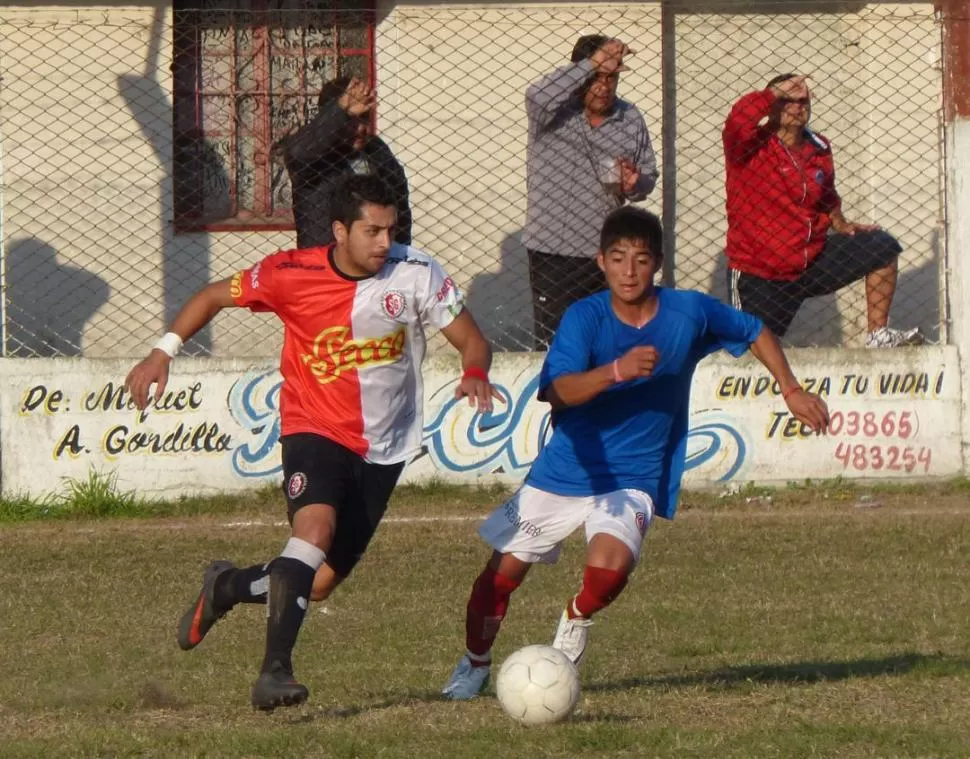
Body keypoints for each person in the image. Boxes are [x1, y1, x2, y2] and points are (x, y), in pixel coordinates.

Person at [125, 174, 497, 711]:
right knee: (314, 529)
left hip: (386, 447)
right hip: (313, 427)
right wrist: (163, 351)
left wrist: (476, 370)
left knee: (317, 584)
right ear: (339, 230)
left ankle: (226, 587)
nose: (384, 243)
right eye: (372, 231)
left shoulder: (417, 273)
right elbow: (211, 295)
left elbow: (471, 340)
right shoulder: (288, 272)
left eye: (390, 230)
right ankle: (274, 672)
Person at [441, 206, 830, 700]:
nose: (629, 271)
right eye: (619, 258)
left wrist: (790, 388)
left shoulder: (688, 312)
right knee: (500, 578)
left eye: (641, 260)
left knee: (609, 570)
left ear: (658, 264)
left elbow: (753, 329)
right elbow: (556, 391)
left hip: (635, 474)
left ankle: (576, 616)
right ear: (601, 262)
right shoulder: (585, 317)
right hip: (568, 467)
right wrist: (616, 372)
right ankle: (474, 665)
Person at [723, 73, 921, 348]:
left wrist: (839, 221)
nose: (798, 106)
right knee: (750, 355)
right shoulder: (748, 147)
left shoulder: (819, 147)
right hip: (761, 271)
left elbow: (826, 193)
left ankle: (878, 335)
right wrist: (772, 93)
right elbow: (737, 121)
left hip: (810, 261)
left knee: (882, 246)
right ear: (771, 106)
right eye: (787, 100)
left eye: (803, 101)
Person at [524, 35, 659, 349]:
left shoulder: (630, 118)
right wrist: (593, 63)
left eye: (611, 78)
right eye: (596, 77)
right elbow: (535, 95)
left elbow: (648, 176)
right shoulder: (553, 113)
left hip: (605, 254)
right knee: (556, 345)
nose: (604, 86)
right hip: (552, 252)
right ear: (581, 75)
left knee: (606, 343)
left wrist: (635, 184)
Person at [280, 76, 412, 248]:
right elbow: (298, 153)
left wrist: (400, 256)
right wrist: (341, 108)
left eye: (365, 118)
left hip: (378, 265)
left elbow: (399, 208)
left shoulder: (376, 150)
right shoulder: (315, 154)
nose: (361, 128)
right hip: (324, 265)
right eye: (351, 119)